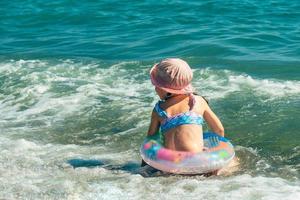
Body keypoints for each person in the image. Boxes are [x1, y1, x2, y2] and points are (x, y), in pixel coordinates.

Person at [141, 58, 238, 175]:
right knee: (234, 161)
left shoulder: (158, 109)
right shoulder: (198, 102)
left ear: (164, 89)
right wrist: (215, 157)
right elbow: (218, 129)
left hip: (171, 166)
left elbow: (151, 139)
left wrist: (146, 163)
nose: (155, 89)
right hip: (197, 163)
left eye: (156, 86)